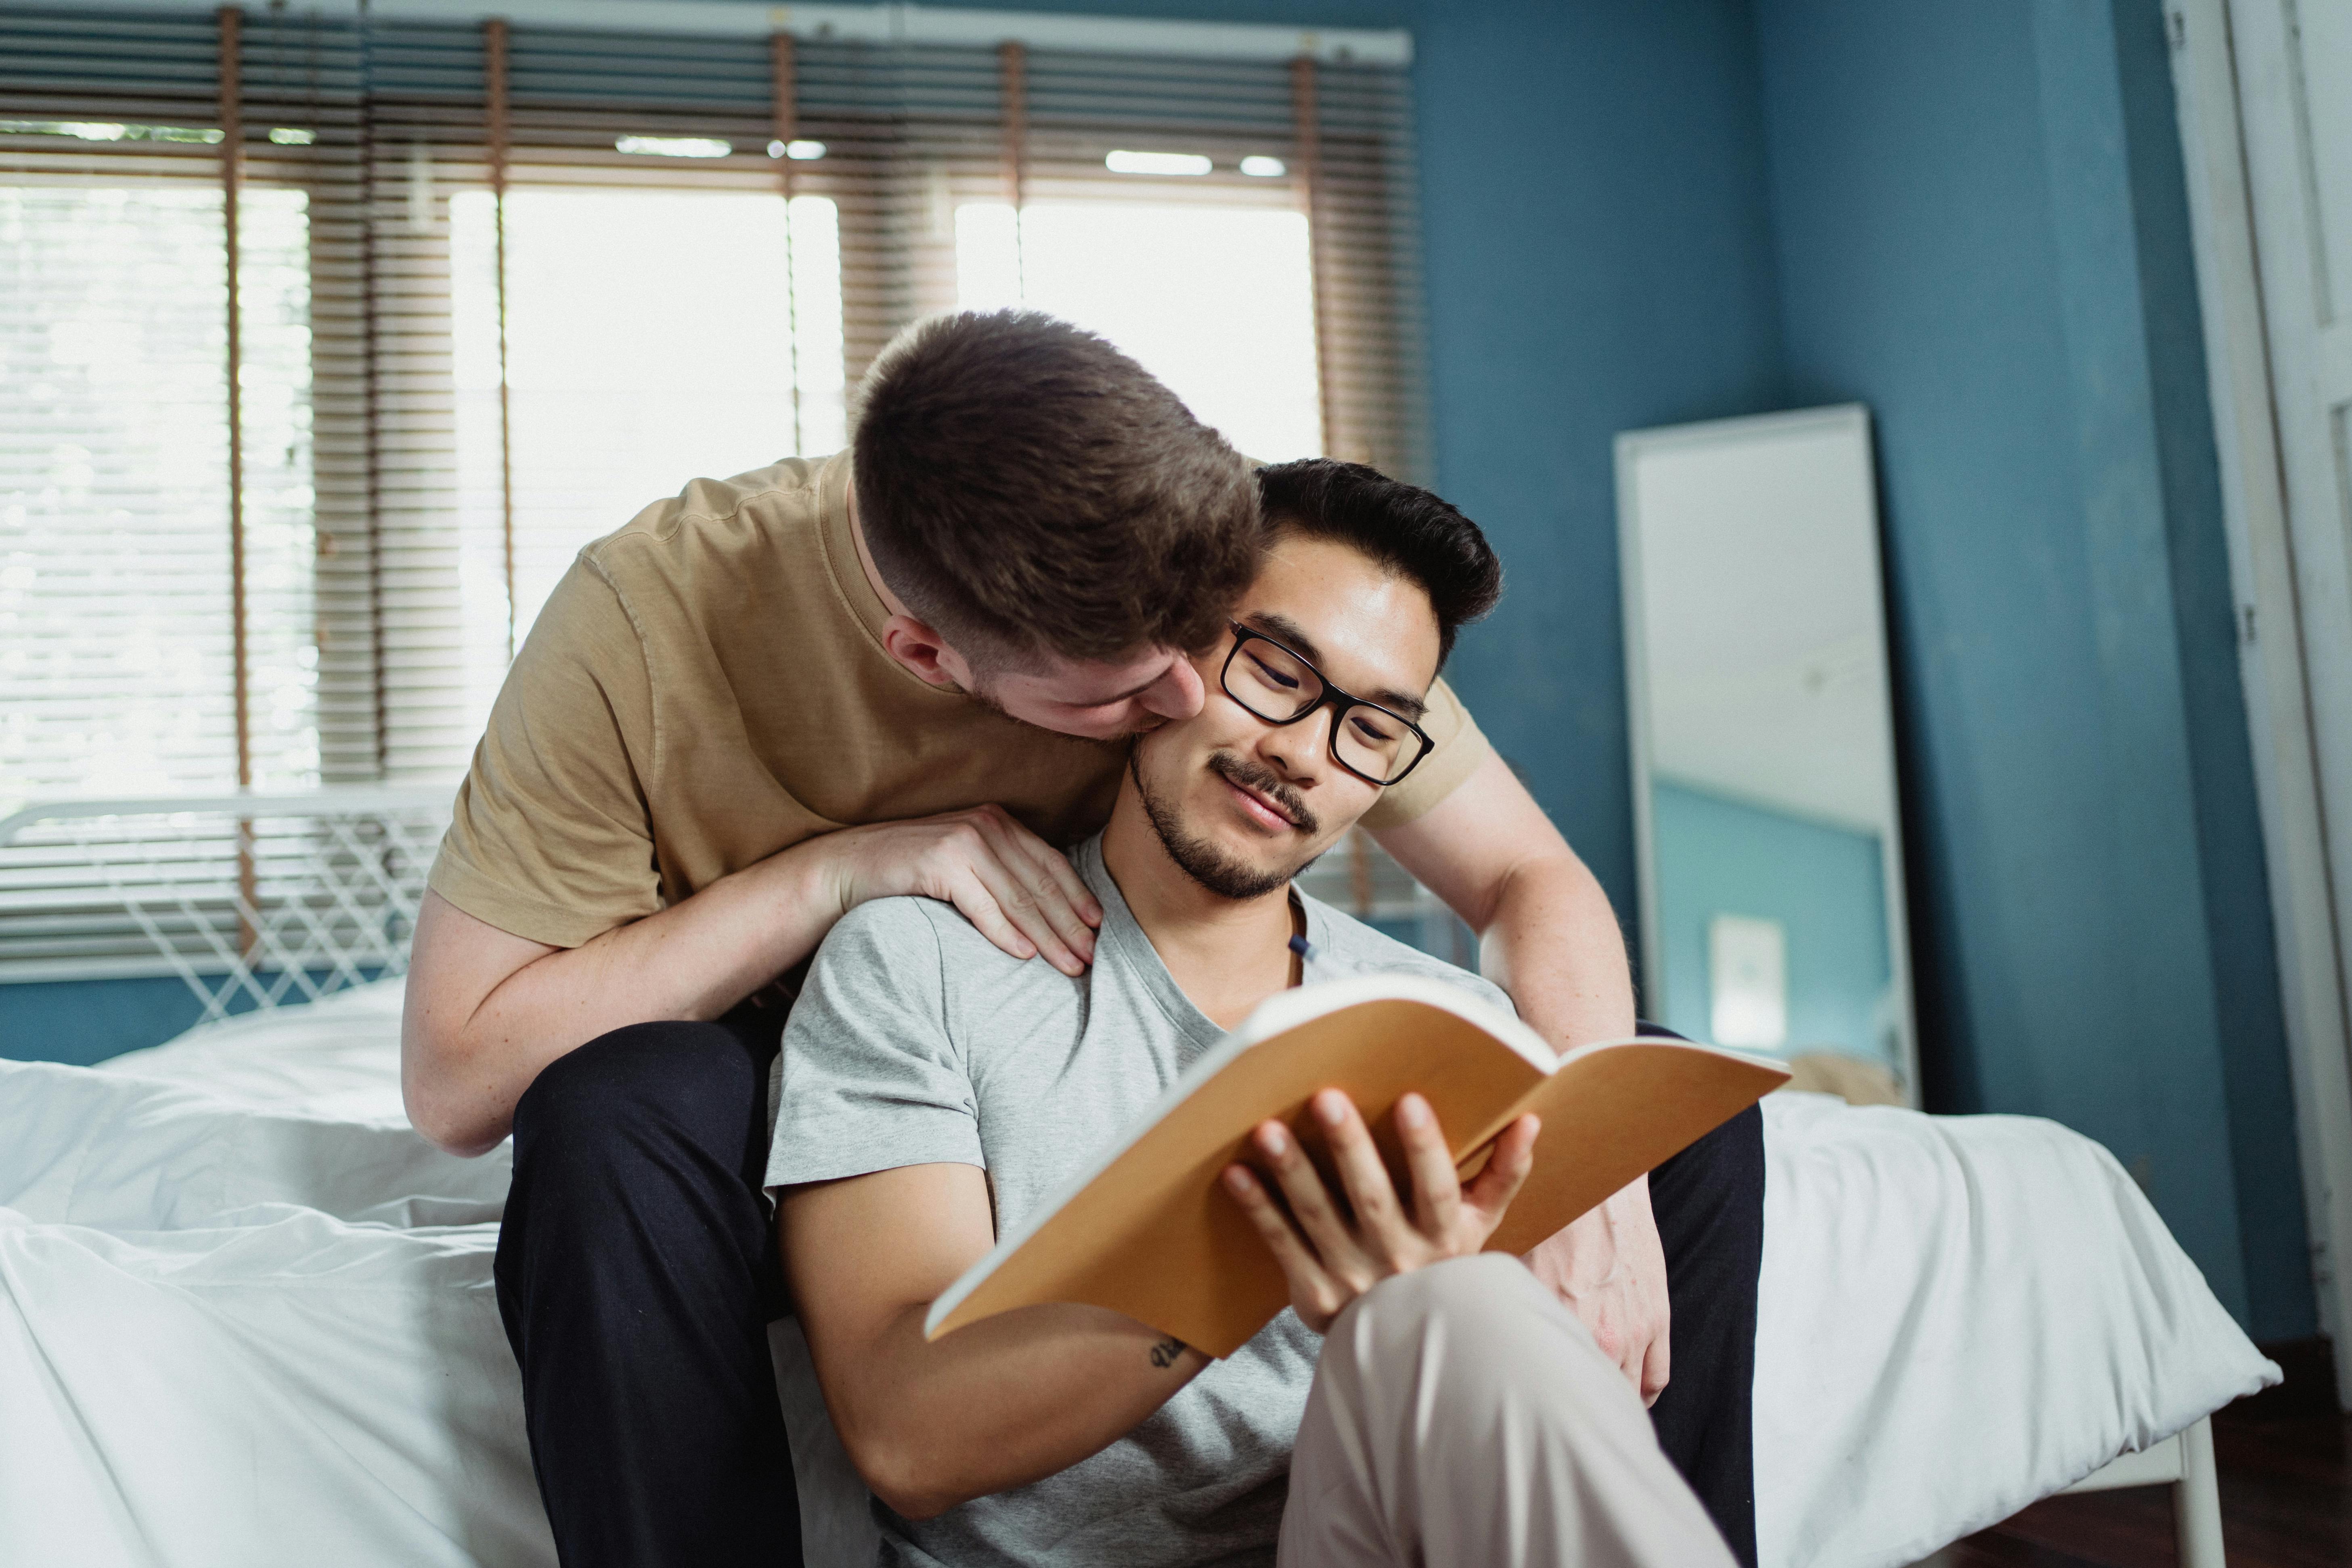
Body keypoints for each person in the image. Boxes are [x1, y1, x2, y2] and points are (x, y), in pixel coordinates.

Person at [400, 312, 1744, 1566]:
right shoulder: (656, 625)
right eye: (1180, 675)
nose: (1205, 700)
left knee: (1638, 1119)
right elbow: (461, 1081)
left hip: (1178, 1167)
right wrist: (838, 878)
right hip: (820, 1074)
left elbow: (1524, 870)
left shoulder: (1248, 615)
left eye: (1217, 646)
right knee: (621, 1107)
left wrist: (1592, 1170)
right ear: (931, 660)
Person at [770, 457, 1758, 1567]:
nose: (1301, 752)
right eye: (1277, 669)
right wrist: (1268, 1241)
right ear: (1170, 650)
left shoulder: (1446, 1019)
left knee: (1458, 1317)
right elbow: (905, 1436)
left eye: (1371, 730)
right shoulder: (920, 966)